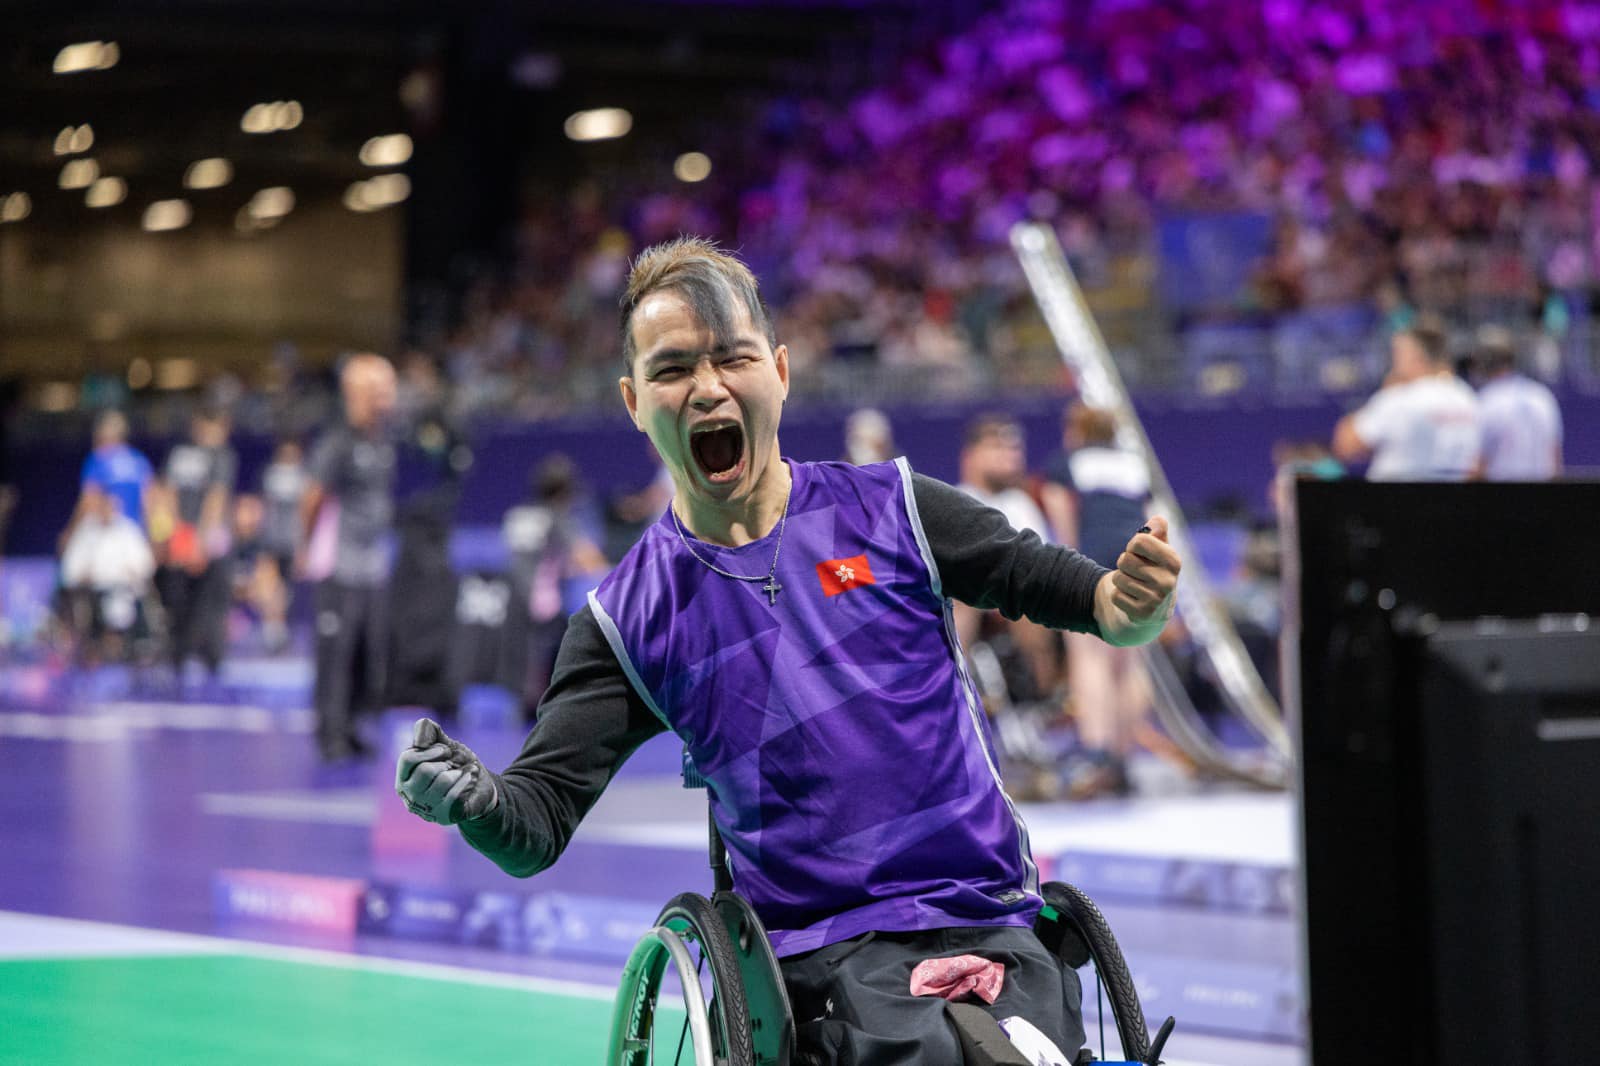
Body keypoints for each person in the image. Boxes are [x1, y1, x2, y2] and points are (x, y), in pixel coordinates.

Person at [394, 239, 1181, 1064]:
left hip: (991, 919)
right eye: (672, 371)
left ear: (778, 370)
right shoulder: (628, 616)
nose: (707, 388)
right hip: (822, 963)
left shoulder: (896, 507)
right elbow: (537, 821)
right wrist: (475, 803)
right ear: (633, 401)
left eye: (732, 358)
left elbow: (1063, 587)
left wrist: (1122, 608)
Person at [1040, 403, 1154, 798]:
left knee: (1090, 656)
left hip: (1096, 556)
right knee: (1129, 658)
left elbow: (1060, 513)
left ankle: (1097, 752)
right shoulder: (1134, 465)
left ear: (1077, 430)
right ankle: (1124, 758)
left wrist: (1071, 560)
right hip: (1140, 557)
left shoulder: (1068, 463)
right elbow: (1150, 516)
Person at [300, 353, 397, 762]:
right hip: (340, 565)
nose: (387, 398)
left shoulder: (382, 441)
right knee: (335, 652)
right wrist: (305, 547)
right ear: (354, 393)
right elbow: (313, 497)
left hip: (373, 565)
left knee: (365, 654)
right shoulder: (337, 442)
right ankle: (330, 733)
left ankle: (354, 726)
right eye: (378, 390)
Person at [954, 414, 1062, 708]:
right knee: (963, 599)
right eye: (998, 448)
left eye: (1014, 449)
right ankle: (954, 689)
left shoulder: (1021, 503)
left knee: (1034, 602)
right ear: (972, 456)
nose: (1010, 457)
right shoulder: (959, 500)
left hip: (1015, 597)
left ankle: (1044, 702)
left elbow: (1042, 561)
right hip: (971, 595)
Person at [1332, 318, 1482, 481]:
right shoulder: (1467, 397)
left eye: (1397, 354)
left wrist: (1385, 391)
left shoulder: (1401, 397)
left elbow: (1346, 445)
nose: (1393, 363)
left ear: (1415, 357)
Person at [157, 406, 237, 678]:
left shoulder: (179, 454)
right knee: (203, 603)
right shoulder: (219, 455)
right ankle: (203, 660)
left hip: (188, 538)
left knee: (186, 603)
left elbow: (167, 495)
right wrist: (195, 542)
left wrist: (174, 536)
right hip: (199, 541)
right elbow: (214, 499)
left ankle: (184, 658)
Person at [1470, 325, 1563, 481]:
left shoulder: (1487, 401)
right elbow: (1555, 462)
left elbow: (1478, 463)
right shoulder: (1542, 396)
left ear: (1485, 361)